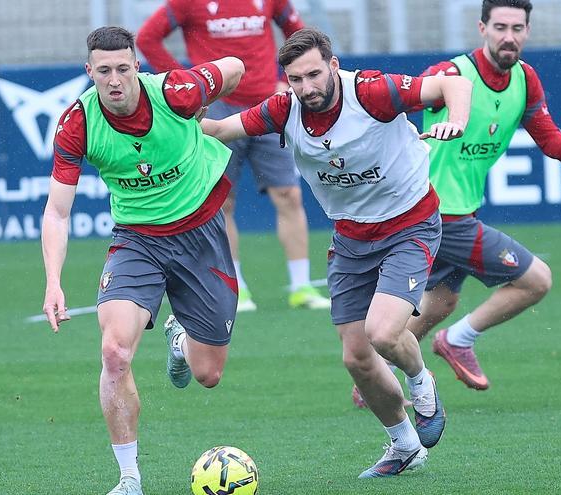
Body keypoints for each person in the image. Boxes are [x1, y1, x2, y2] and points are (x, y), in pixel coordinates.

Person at [202, 28, 472, 478]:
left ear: (332, 65)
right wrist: (167, 115)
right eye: (295, 79)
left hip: (410, 224)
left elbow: (454, 84)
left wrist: (457, 119)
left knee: (384, 333)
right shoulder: (284, 108)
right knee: (356, 358)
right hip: (351, 239)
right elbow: (221, 128)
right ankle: (404, 445)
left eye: (313, 74)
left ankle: (423, 385)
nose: (306, 87)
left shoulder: (370, 91)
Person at [353, 0, 561, 404]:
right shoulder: (450, 75)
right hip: (437, 213)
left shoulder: (525, 79)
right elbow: (396, 103)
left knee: (440, 302)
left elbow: (548, 137)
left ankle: (375, 380)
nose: (509, 37)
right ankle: (458, 341)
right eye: (500, 27)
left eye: (517, 28)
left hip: (459, 209)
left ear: (528, 32)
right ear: (482, 28)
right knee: (537, 280)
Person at [41, 26, 245, 495]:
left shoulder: (177, 91)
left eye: (123, 68)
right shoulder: (78, 122)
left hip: (201, 232)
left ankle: (180, 337)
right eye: (104, 71)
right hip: (137, 241)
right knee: (114, 353)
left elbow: (234, 67)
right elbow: (56, 211)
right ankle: (129, 478)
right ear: (88, 71)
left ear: (137, 66)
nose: (115, 80)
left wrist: (206, 106)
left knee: (208, 375)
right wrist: (53, 281)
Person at [137, 0, 330, 312]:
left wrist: (287, 75)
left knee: (289, 195)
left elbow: (300, 34)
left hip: (268, 105)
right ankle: (236, 288)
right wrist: (188, 85)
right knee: (221, 202)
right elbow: (147, 38)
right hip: (218, 110)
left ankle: (302, 286)